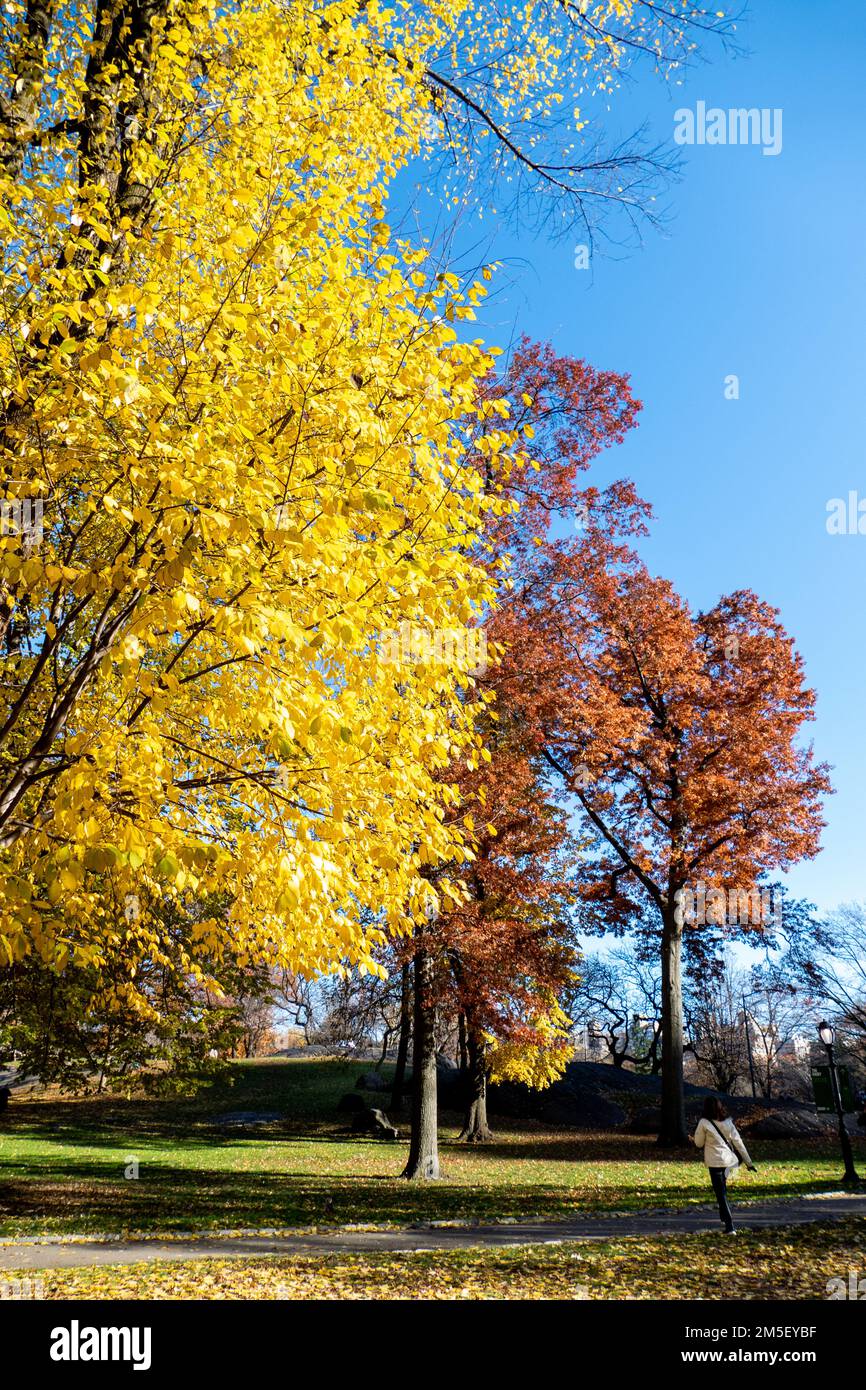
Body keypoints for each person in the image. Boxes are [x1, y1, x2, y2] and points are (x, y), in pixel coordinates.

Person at [692, 1097, 756, 1235]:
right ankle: (723, 1217)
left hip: (714, 1162)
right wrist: (748, 1162)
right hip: (728, 1161)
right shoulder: (728, 1123)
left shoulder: (704, 1123)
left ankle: (730, 1225)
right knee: (722, 1190)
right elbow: (739, 1143)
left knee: (720, 1194)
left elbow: (698, 1143)